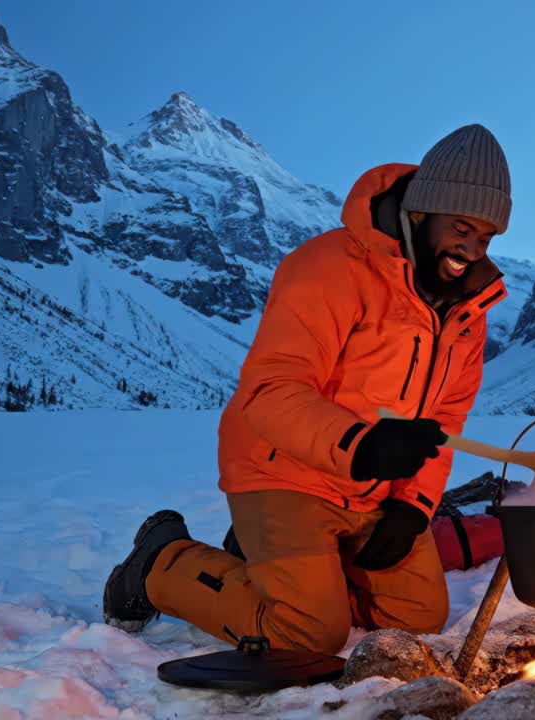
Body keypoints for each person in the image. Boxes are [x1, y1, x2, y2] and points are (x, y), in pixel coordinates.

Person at [102, 124, 511, 654]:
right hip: (283, 472)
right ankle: (161, 561)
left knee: (415, 620)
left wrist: (413, 505)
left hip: (370, 488)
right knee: (308, 634)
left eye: (486, 238)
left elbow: (444, 423)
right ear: (423, 211)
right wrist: (361, 446)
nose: (471, 250)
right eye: (462, 227)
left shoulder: (467, 310)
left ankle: (282, 569)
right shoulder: (329, 267)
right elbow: (271, 390)